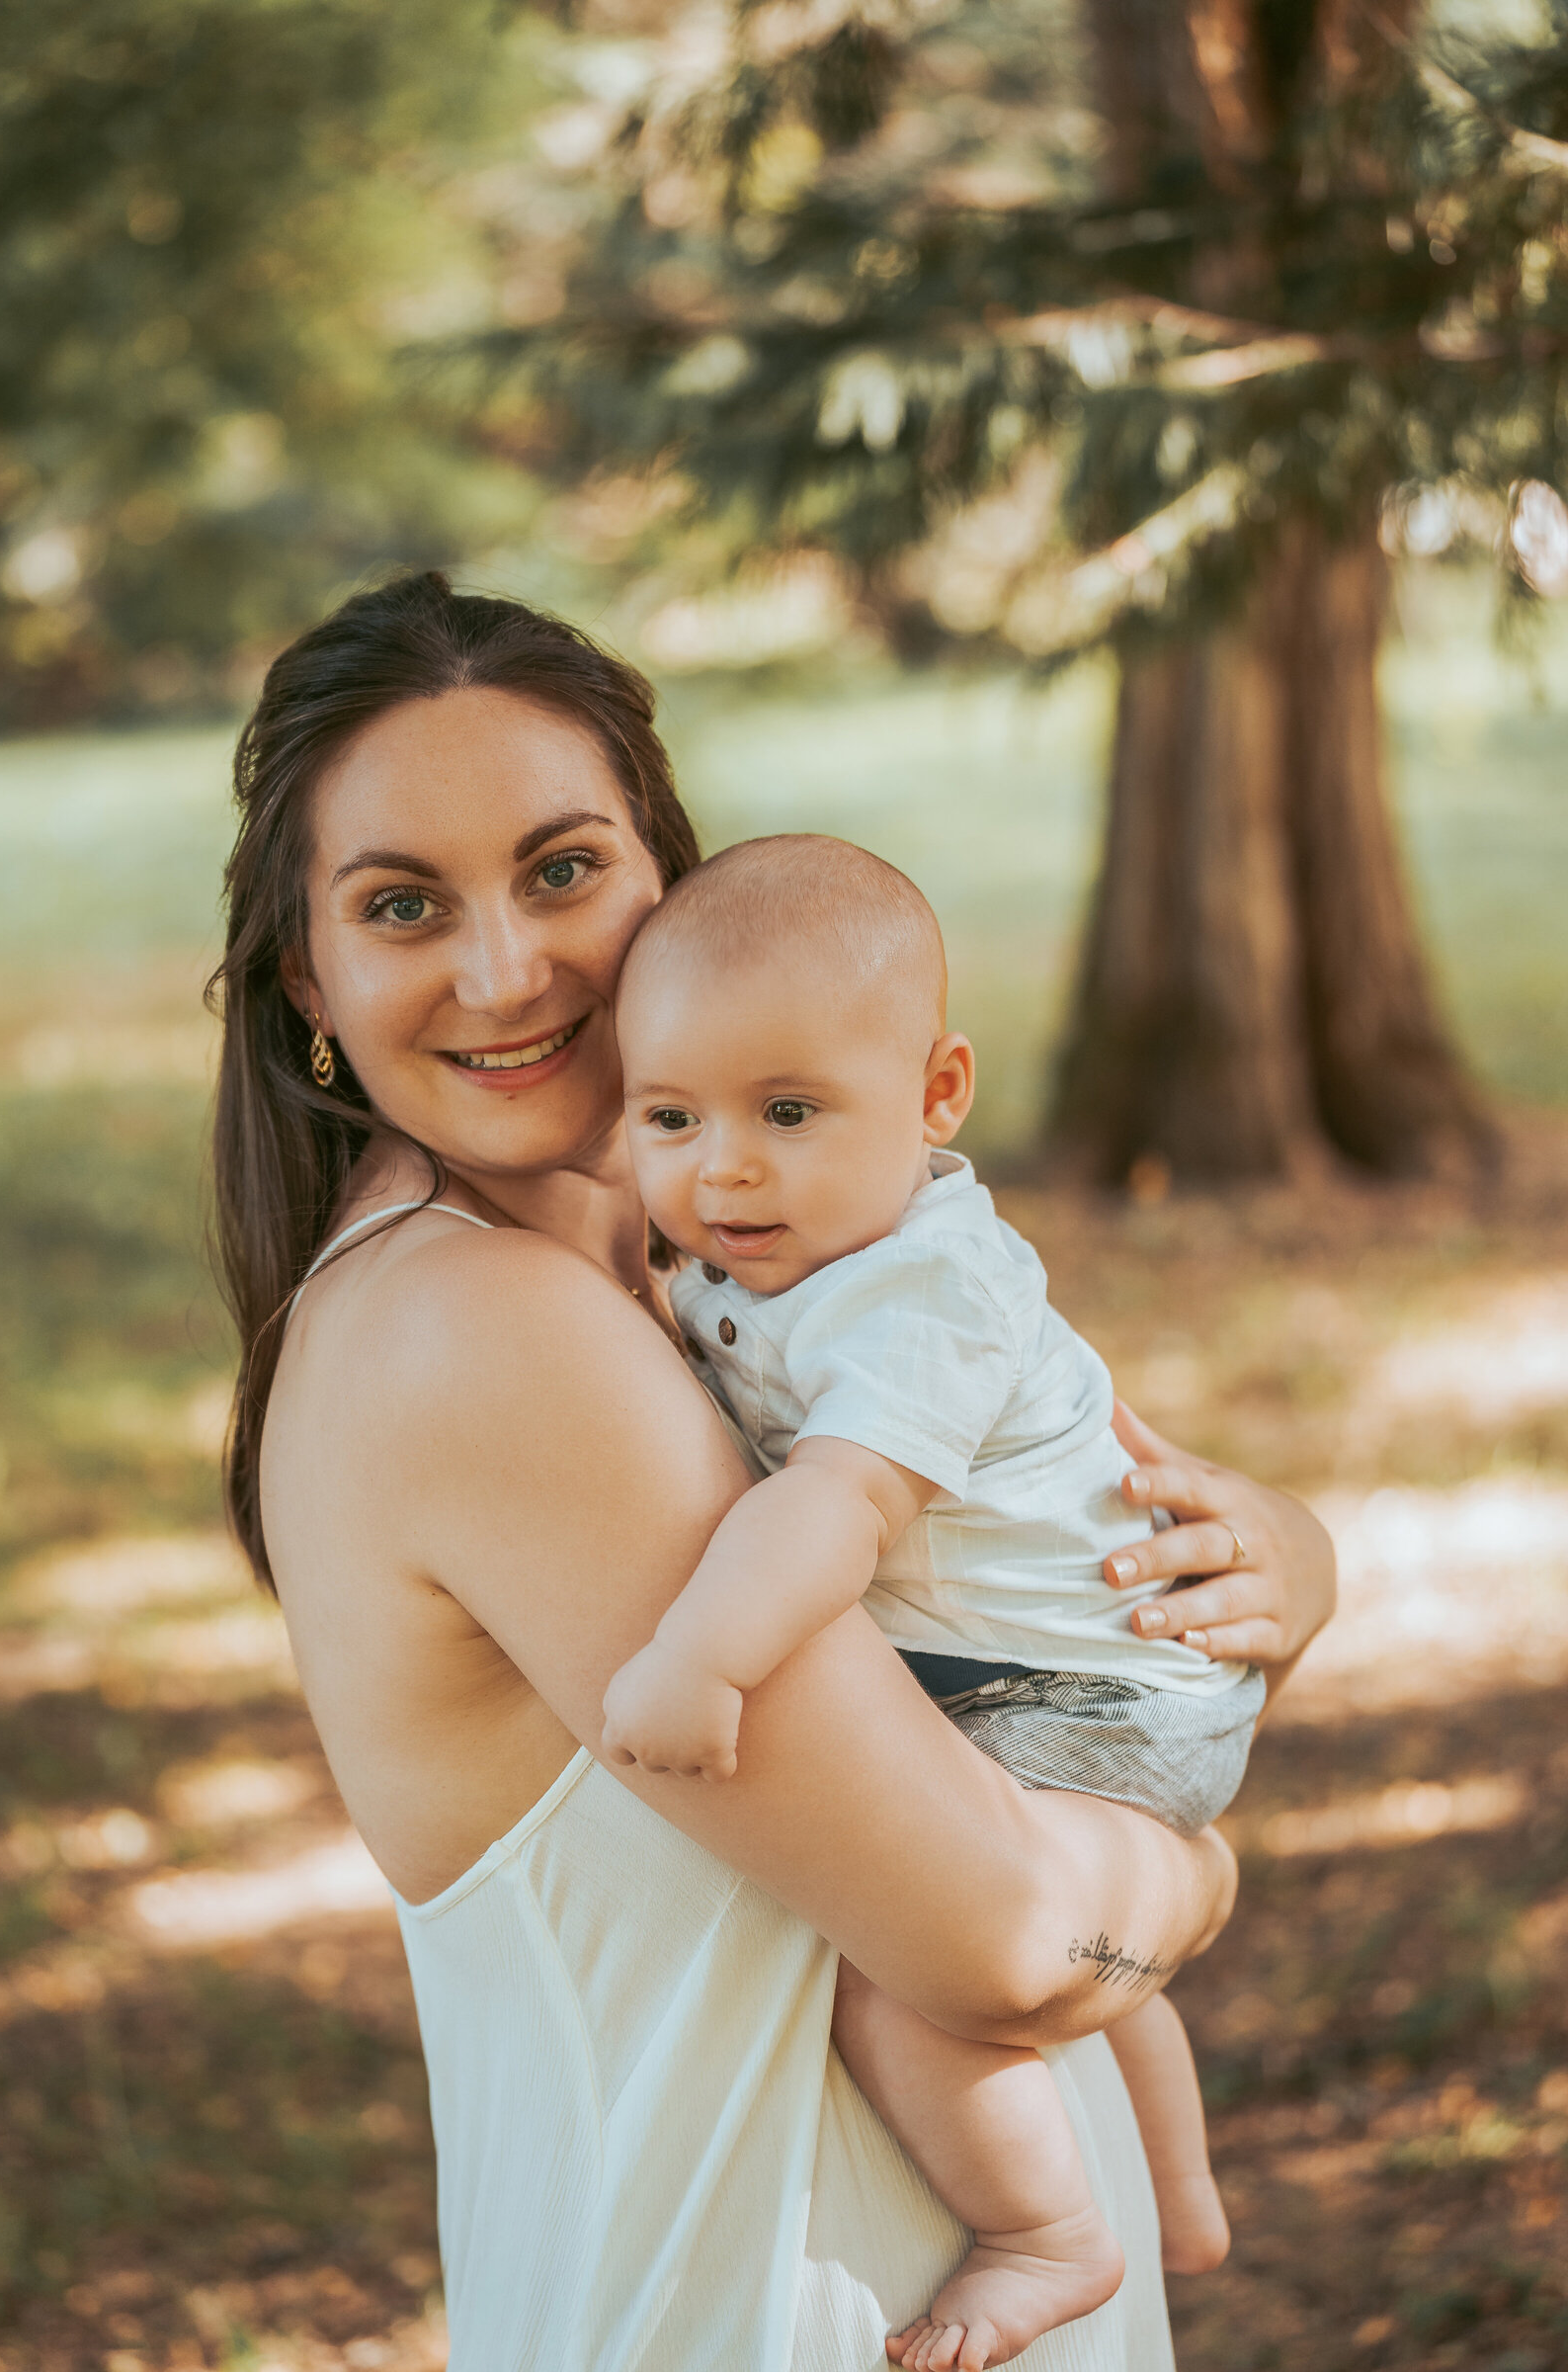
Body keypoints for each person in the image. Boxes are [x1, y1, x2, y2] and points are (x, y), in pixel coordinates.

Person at [211, 571, 1337, 2372]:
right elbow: (1009, 1948)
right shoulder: (475, 1333)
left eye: (564, 869)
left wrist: (1285, 1556)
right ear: (312, 983)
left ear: (668, 879)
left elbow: (1037, 1502)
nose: (507, 970)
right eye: (404, 905)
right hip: (759, 2313)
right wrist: (1191, 1880)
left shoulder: (706, 1273)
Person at [603, 835, 1263, 2372]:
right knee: (1004, 1933)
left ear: (939, 1094)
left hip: (1089, 1691)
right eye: (669, 1118)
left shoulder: (921, 1290)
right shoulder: (771, 1238)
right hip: (1060, 1669)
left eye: (787, 1112)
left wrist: (702, 1657)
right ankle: (1177, 2197)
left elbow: (834, 1507)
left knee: (890, 1955)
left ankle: (1048, 2232)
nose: (724, 1169)